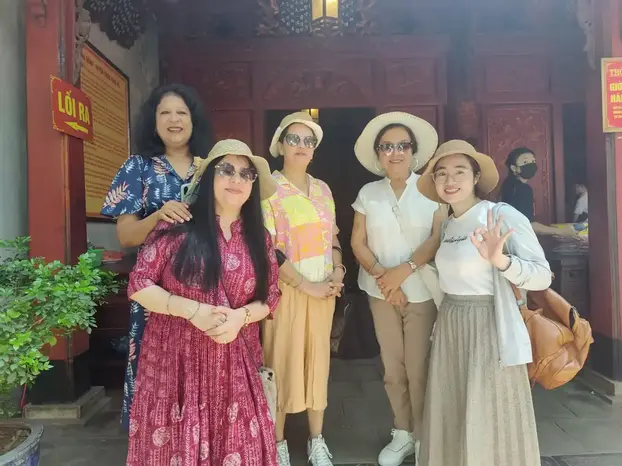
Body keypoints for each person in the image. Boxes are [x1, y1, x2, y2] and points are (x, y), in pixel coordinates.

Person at [125, 139, 281, 465]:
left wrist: (240, 318)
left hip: (236, 368)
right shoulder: (178, 226)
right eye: (227, 170)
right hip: (176, 366)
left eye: (246, 173)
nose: (236, 179)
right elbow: (139, 284)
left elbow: (270, 297)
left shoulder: (260, 238)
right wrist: (192, 310)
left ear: (253, 185)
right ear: (209, 177)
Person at [416, 140, 550, 466]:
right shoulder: (448, 224)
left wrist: (501, 261)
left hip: (489, 325)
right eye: (441, 173)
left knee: (489, 414)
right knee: (453, 411)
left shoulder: (500, 215)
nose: (450, 180)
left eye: (459, 171)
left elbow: (542, 276)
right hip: (450, 325)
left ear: (476, 177)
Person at [100, 83, 212, 430]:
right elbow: (126, 235)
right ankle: (153, 440)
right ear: (153, 120)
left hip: (206, 285)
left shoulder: (211, 167)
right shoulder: (137, 167)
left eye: (181, 112)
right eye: (165, 113)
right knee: (154, 365)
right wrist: (158, 216)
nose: (174, 120)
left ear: (194, 120)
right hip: (154, 290)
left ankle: (197, 437)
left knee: (204, 363)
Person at [350, 112, 445, 466]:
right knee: (393, 368)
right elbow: (357, 241)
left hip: (421, 292)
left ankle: (424, 436)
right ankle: (402, 431)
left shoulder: (431, 189)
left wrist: (402, 272)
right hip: (380, 294)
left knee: (419, 368)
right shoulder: (368, 193)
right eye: (387, 146)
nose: (395, 152)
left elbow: (437, 237)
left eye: (403, 145)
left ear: (413, 151)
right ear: (378, 153)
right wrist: (384, 278)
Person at [261, 112, 344, 466]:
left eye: (308, 141)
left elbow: (333, 238)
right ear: (280, 145)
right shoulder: (268, 187)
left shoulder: (323, 189)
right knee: (280, 362)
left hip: (323, 292)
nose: (301, 146)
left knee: (318, 364)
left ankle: (316, 440)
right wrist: (305, 285)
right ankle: (277, 442)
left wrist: (338, 270)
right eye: (293, 139)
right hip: (287, 291)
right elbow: (268, 249)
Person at [500, 147, 577, 237]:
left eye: (533, 161)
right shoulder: (523, 189)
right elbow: (529, 225)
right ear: (514, 168)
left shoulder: (508, 184)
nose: (531, 165)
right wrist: (562, 232)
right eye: (525, 162)